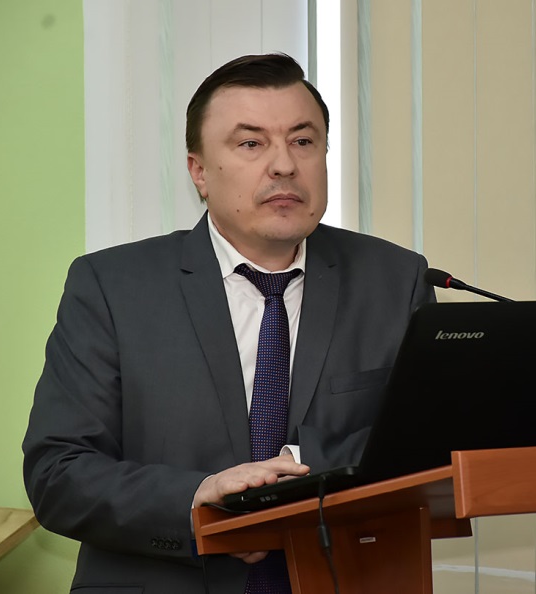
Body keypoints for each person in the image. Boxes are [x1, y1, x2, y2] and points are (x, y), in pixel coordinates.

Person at [22, 53, 433, 593]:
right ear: (199, 172)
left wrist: (296, 468)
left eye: (303, 141)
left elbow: (428, 439)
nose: (284, 165)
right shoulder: (112, 287)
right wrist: (197, 499)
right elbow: (58, 472)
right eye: (251, 144)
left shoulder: (394, 280)